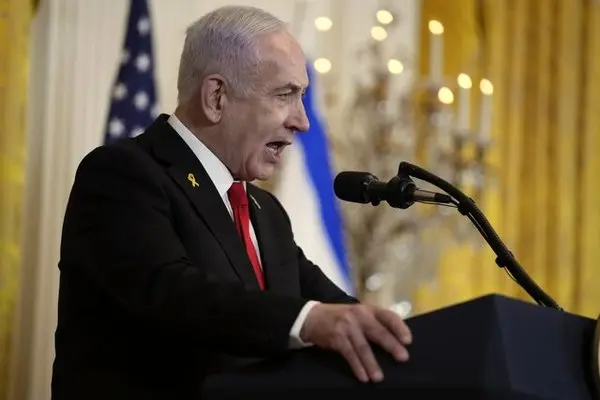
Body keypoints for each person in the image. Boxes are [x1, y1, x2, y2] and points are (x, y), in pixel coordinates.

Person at [51, 5, 412, 399]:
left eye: (302, 97)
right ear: (216, 97)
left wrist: (395, 338)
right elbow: (172, 295)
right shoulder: (122, 174)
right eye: (285, 95)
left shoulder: (266, 213)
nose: (302, 120)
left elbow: (336, 308)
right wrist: (308, 321)